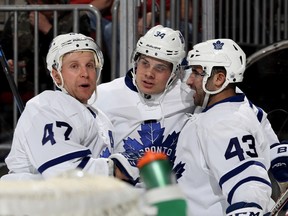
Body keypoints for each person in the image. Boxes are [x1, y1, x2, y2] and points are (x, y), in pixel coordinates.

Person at [1, 33, 137, 183]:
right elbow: (65, 172)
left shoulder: (101, 118)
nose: (85, 74)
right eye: (74, 66)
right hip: (28, 202)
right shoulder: (45, 107)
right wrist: (119, 169)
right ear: (57, 75)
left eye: (90, 65)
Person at [173, 38, 278, 215]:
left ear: (219, 79)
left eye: (197, 73)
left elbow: (247, 182)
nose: (189, 81)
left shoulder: (223, 123)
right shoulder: (237, 105)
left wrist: (248, 208)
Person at [89, 25, 195, 171]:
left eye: (160, 68)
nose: (149, 74)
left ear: (175, 72)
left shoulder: (189, 91)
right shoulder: (102, 95)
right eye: (145, 63)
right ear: (136, 61)